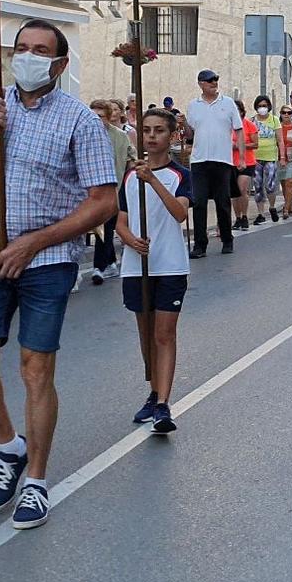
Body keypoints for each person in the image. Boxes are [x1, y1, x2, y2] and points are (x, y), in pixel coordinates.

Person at [0, 20, 117, 530]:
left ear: (60, 64)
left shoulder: (80, 122)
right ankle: (9, 446)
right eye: (21, 48)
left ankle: (37, 480)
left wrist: (35, 241)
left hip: (45, 262)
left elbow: (103, 201)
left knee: (36, 370)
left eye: (40, 51)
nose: (28, 57)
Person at [118, 108, 191, 435]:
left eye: (159, 130)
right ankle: (152, 392)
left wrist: (154, 181)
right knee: (146, 336)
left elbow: (179, 213)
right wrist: (130, 239)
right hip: (137, 266)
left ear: (172, 135)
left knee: (164, 334)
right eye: (146, 129)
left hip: (170, 264)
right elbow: (120, 218)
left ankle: (163, 403)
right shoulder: (130, 175)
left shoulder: (180, 174)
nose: (151, 136)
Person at [184, 69, 239, 258]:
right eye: (209, 80)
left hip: (222, 159)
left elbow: (238, 130)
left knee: (222, 201)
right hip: (199, 160)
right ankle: (200, 245)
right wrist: (183, 125)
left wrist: (238, 158)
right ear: (201, 84)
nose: (214, 82)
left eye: (215, 79)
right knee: (199, 202)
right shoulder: (193, 105)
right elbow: (191, 132)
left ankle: (227, 238)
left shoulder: (228, 103)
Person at [87, 99, 134, 285]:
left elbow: (131, 158)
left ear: (108, 118)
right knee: (98, 228)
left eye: (100, 116)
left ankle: (99, 267)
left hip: (113, 190)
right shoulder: (83, 134)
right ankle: (111, 262)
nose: (96, 120)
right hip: (88, 190)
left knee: (104, 228)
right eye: (93, 116)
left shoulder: (120, 137)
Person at [246, 95, 283, 224]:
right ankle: (260, 213)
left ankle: (272, 207)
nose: (262, 108)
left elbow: (280, 140)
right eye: (260, 106)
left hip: (270, 157)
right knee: (257, 186)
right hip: (255, 158)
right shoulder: (252, 121)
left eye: (265, 106)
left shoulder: (274, 120)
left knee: (270, 185)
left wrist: (282, 157)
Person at [232, 98, 255, 233]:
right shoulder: (228, 126)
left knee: (242, 189)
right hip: (231, 161)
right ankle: (238, 217)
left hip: (247, 161)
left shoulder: (248, 125)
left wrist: (240, 145)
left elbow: (255, 143)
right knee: (234, 192)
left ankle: (245, 215)